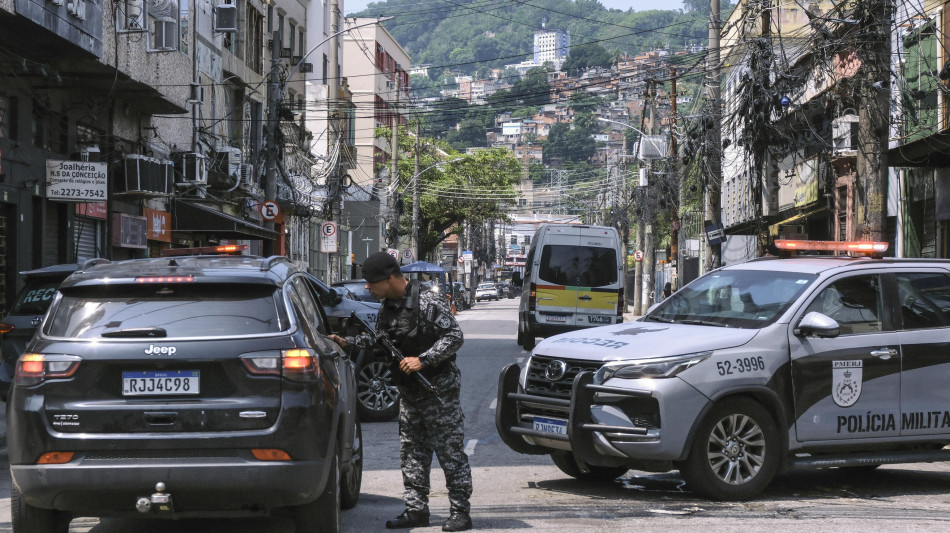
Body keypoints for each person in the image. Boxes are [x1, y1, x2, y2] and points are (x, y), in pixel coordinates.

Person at [329, 252, 473, 532]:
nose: (368, 288)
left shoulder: (428, 301)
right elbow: (380, 341)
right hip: (409, 393)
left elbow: (454, 336)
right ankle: (416, 510)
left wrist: (424, 359)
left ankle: (460, 512)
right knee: (412, 454)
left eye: (372, 283)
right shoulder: (388, 307)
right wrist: (347, 342)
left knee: (450, 453)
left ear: (390, 278)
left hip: (438, 391)